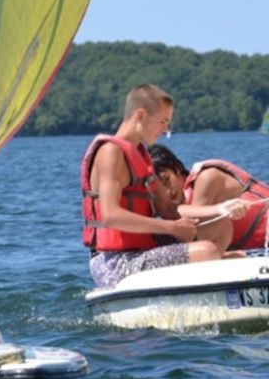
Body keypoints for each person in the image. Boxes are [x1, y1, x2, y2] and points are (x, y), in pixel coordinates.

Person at [81, 84, 238, 289]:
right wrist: (171, 228)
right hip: (114, 262)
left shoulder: (141, 155)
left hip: (142, 248)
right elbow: (111, 216)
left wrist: (220, 209)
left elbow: (169, 209)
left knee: (220, 224)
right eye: (162, 122)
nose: (165, 130)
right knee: (206, 251)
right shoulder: (110, 153)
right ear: (140, 115)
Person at [150, 143, 265, 251]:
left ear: (177, 168)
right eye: (157, 190)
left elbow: (195, 231)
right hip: (255, 247)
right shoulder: (181, 198)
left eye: (166, 180)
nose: (167, 192)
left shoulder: (208, 177)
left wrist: (163, 211)